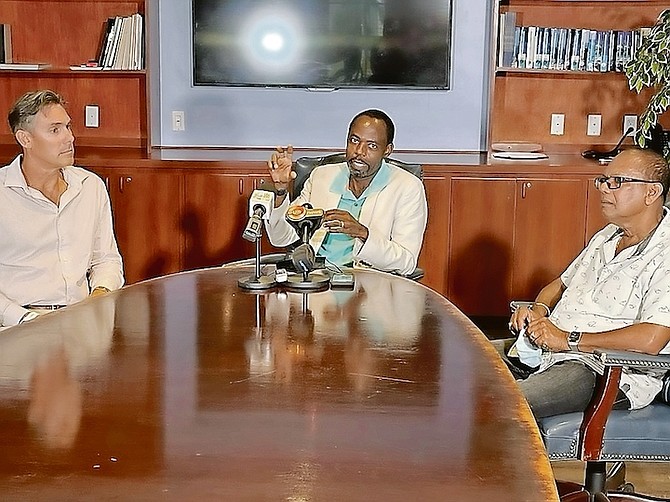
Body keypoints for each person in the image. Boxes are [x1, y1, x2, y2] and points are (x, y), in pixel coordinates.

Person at [507, 147, 670, 419]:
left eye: (617, 182)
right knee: (463, 373)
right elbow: (559, 285)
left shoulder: (665, 251)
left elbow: (652, 339)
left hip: (599, 370)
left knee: (502, 402)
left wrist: (568, 341)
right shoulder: (607, 236)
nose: (605, 189)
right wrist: (537, 311)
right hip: (545, 352)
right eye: (603, 181)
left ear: (651, 193)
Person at [0, 90, 124, 327]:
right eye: (55, 130)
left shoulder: (90, 187)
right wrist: (26, 319)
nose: (69, 138)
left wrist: (98, 297)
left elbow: (106, 259)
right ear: (25, 139)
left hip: (81, 323)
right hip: (17, 326)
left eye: (68, 127)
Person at [264, 109, 428, 276]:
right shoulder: (322, 176)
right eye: (354, 140)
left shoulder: (407, 187)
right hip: (315, 279)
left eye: (372, 145)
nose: (359, 151)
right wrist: (281, 190)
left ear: (387, 150)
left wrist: (363, 233)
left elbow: (406, 263)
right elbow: (281, 238)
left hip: (368, 286)